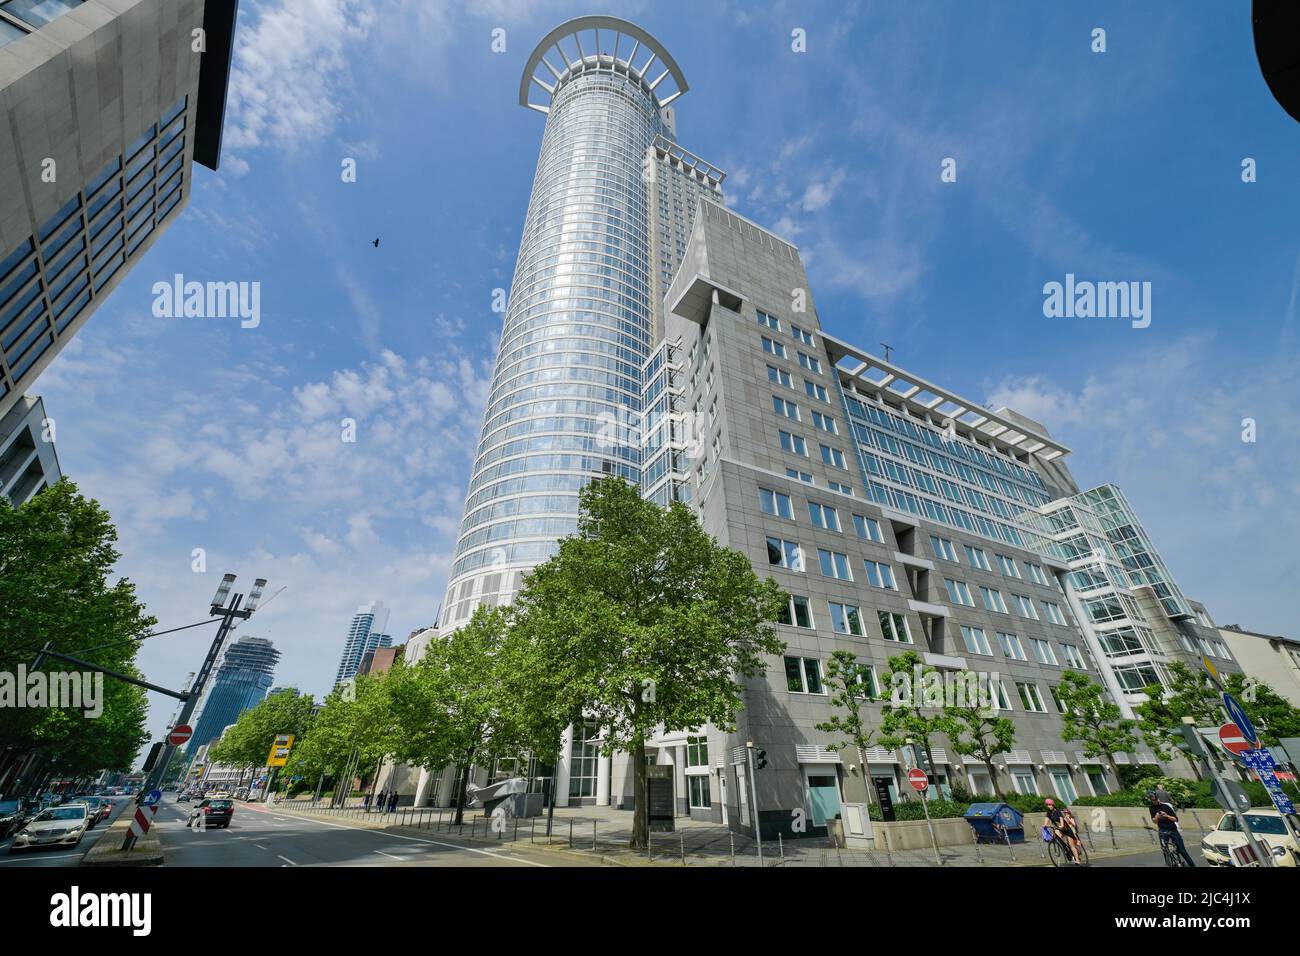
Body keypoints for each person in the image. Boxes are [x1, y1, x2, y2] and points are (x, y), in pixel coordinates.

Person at [1148, 790, 1195, 866]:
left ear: (1158, 798)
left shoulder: (1166, 807)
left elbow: (1175, 819)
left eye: (1155, 799)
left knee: (1182, 850)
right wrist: (1157, 816)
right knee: (1165, 850)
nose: (1154, 801)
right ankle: (1169, 864)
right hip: (1163, 830)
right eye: (1152, 800)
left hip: (1172, 829)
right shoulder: (1151, 808)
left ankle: (1192, 865)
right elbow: (1154, 821)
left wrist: (1166, 815)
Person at [1044, 797, 1082, 863]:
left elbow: (1061, 821)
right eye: (1047, 805)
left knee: (1071, 845)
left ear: (1053, 805)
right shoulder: (1049, 813)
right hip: (1059, 829)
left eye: (1049, 804)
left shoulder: (1058, 812)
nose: (1048, 806)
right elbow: (1046, 819)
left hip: (1066, 829)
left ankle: (1077, 860)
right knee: (1056, 836)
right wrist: (1044, 825)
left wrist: (1061, 825)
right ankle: (1065, 849)